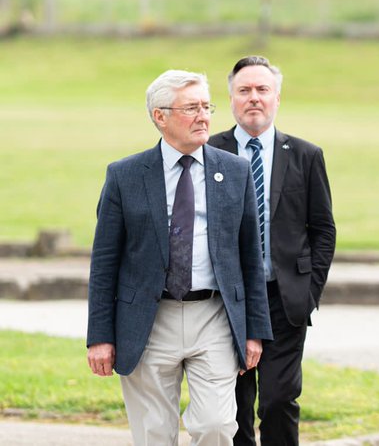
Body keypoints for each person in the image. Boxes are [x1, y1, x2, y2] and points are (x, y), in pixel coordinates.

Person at [86, 70, 272, 446]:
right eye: (192, 108)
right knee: (154, 433)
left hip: (214, 317)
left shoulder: (234, 171)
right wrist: (100, 337)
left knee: (216, 426)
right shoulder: (125, 175)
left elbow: (251, 256)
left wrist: (256, 329)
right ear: (160, 116)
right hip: (149, 320)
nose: (204, 116)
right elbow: (104, 262)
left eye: (207, 106)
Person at [208, 56, 337, 446]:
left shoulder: (305, 155)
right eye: (244, 91)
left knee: (279, 400)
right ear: (231, 99)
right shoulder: (210, 151)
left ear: (277, 98)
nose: (254, 98)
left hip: (285, 299)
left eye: (262, 90)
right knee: (235, 403)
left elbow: (324, 230)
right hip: (228, 299)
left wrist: (308, 291)